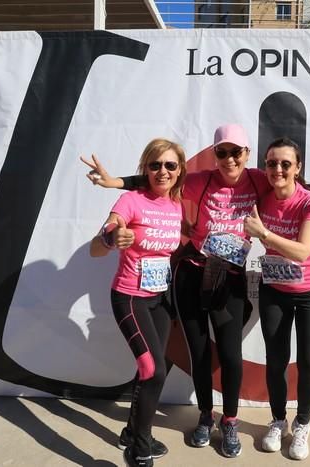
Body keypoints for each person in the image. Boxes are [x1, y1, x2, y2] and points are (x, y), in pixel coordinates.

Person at [82, 124, 310, 458]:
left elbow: (294, 183)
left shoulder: (259, 178)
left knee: (230, 353)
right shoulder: (200, 180)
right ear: (215, 155)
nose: (229, 159)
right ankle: (205, 416)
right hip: (193, 273)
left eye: (235, 152)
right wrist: (116, 183)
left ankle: (231, 420)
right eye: (221, 152)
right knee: (199, 351)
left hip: (232, 277)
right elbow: (160, 180)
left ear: (247, 155)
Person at [89, 138, 186, 467]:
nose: (162, 171)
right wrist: (112, 238)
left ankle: (132, 431)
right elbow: (96, 247)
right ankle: (139, 447)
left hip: (159, 300)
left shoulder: (176, 204)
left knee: (154, 370)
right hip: (130, 298)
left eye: (170, 165)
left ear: (179, 171)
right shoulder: (130, 201)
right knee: (152, 370)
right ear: (145, 169)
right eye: (155, 165)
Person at [242, 137, 310, 460]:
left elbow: (303, 251)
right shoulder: (261, 200)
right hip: (275, 290)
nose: (277, 169)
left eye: (285, 164)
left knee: (309, 363)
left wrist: (264, 234)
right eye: (271, 163)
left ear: (298, 168)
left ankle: (303, 424)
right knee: (276, 360)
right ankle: (278, 420)